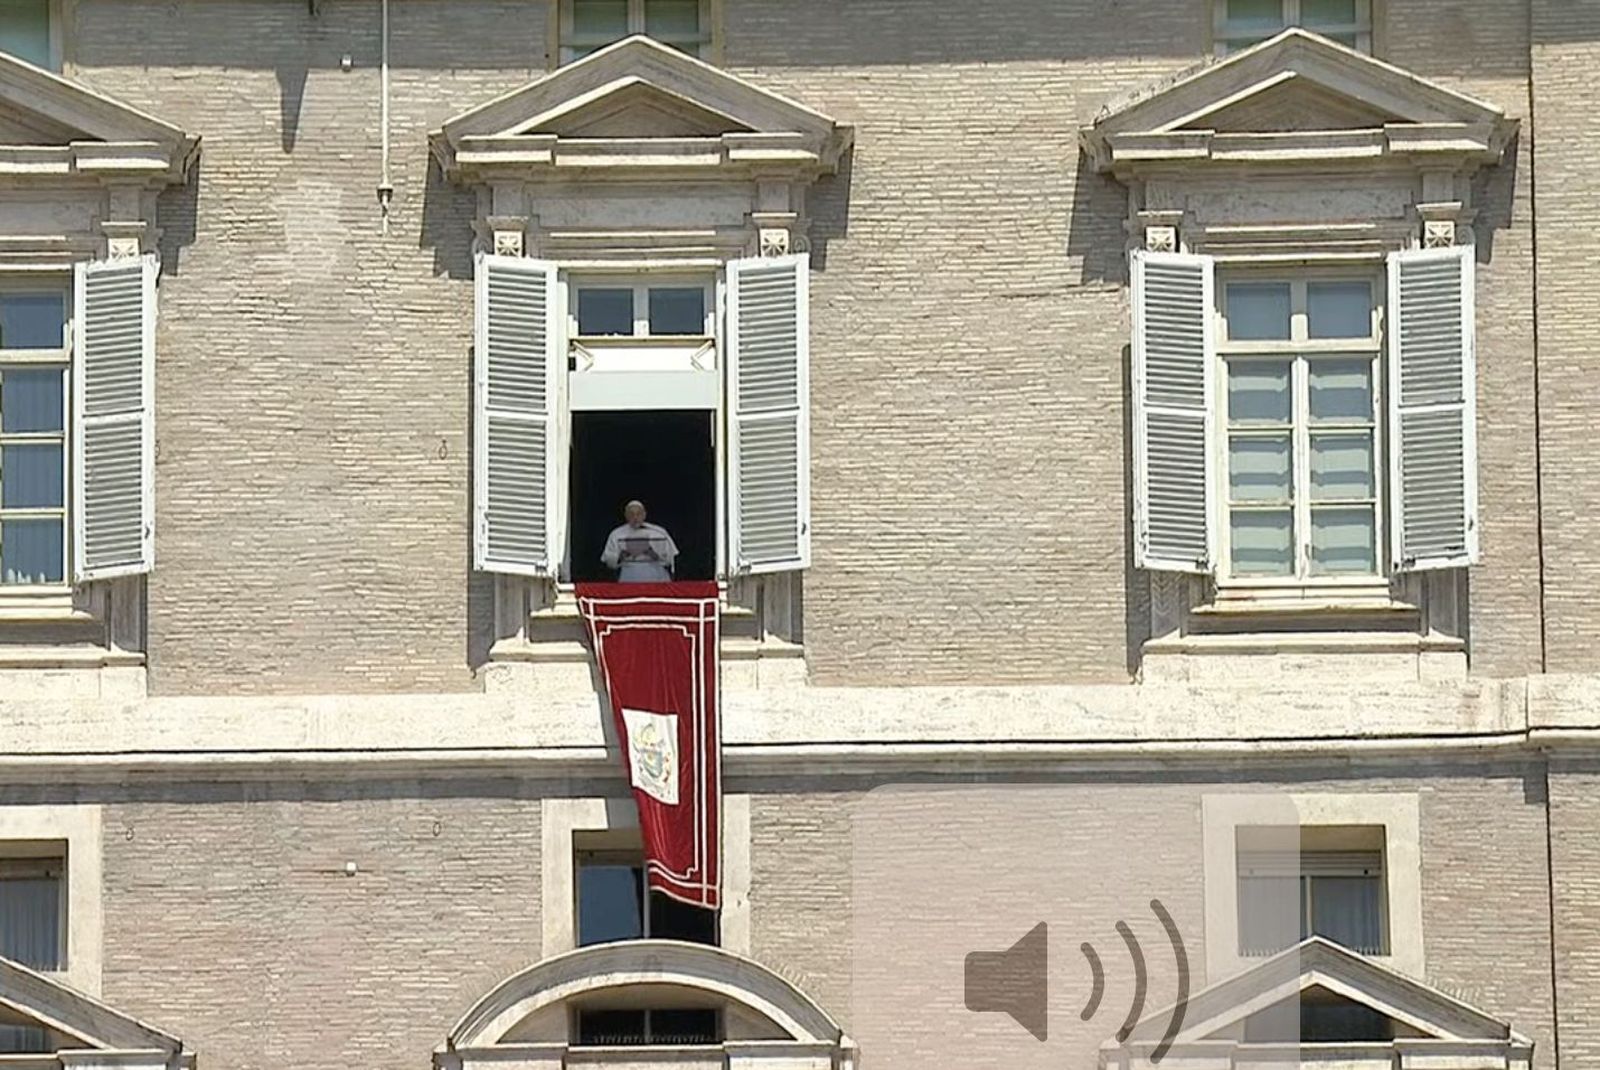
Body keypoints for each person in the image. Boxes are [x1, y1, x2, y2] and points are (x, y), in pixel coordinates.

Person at [601, 500, 678, 583]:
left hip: (656, 575)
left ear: (644, 515)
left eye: (638, 514)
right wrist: (621, 556)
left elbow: (670, 559)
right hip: (629, 575)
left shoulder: (658, 532)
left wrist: (653, 554)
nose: (635, 517)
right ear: (626, 516)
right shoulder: (616, 534)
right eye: (631, 514)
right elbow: (609, 560)